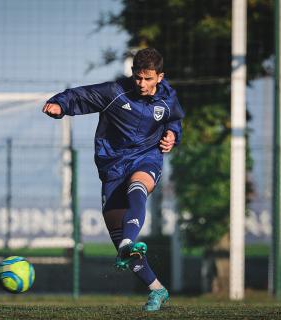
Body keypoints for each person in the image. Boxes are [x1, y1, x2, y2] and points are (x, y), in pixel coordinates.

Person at [42, 47, 184, 311]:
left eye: (148, 79)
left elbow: (174, 119)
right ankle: (157, 290)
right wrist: (60, 104)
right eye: (138, 77)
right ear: (133, 73)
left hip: (146, 157)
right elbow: (79, 96)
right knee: (120, 242)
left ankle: (130, 241)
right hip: (113, 166)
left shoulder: (168, 98)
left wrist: (172, 135)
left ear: (160, 77)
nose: (142, 83)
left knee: (138, 186)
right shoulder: (115, 93)